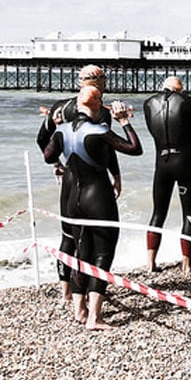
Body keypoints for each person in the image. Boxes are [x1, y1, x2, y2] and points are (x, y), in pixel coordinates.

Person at [42, 86, 142, 330]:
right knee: (103, 253)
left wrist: (53, 128)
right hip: (98, 197)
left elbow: (47, 156)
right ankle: (95, 317)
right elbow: (134, 148)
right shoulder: (100, 131)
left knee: (80, 251)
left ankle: (79, 310)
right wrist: (125, 122)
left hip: (72, 199)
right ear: (97, 104)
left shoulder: (62, 131)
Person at [36, 64, 120, 304]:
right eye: (103, 79)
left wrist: (58, 164)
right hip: (93, 182)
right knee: (93, 242)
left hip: (69, 180)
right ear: (99, 82)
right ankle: (88, 293)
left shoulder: (60, 107)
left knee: (68, 237)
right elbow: (105, 147)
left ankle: (66, 293)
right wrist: (116, 175)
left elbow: (43, 140)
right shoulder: (99, 110)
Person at [143, 76, 191, 273]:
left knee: (158, 213)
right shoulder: (187, 101)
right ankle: (186, 263)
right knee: (190, 213)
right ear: (180, 89)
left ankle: (150, 263)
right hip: (185, 162)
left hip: (161, 163)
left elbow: (153, 130)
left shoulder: (148, 103)